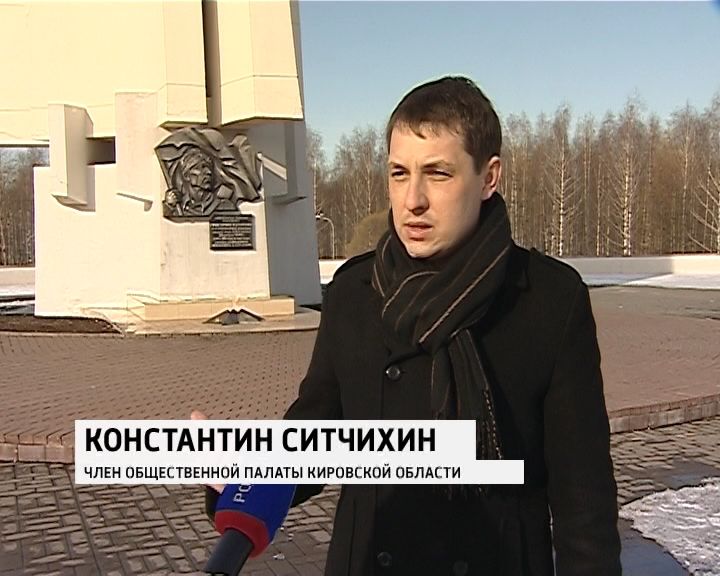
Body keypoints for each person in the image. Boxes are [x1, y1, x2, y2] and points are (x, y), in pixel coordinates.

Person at [204, 76, 621, 575]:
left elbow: (583, 498)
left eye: (438, 173)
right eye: (399, 174)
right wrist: (246, 474)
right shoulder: (355, 292)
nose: (412, 199)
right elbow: (318, 428)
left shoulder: (548, 299)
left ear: (489, 178)